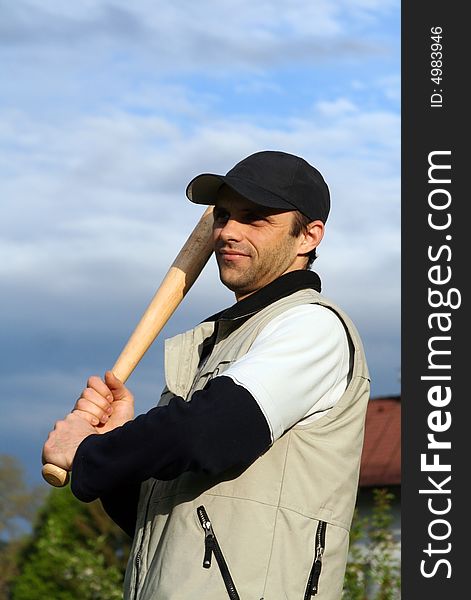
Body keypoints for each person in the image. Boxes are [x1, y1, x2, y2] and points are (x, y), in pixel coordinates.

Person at [42, 150, 370, 600]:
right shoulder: (217, 347)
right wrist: (119, 442)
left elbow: (211, 435)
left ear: (308, 236)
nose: (228, 232)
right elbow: (156, 518)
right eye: (223, 215)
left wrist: (88, 451)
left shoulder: (312, 326)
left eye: (255, 218)